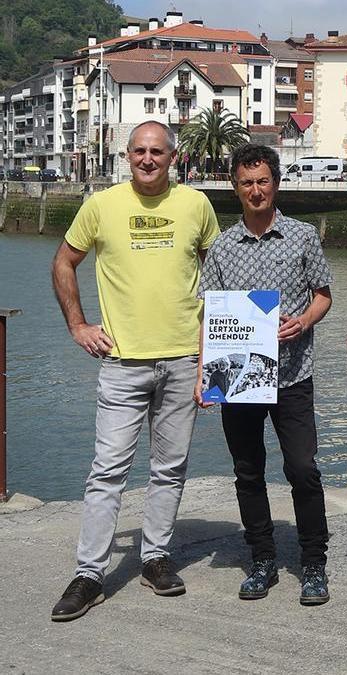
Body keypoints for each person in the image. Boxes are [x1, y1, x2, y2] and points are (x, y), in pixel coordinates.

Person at [49, 120, 220, 621]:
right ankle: (90, 574)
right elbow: (64, 262)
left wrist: (213, 362)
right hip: (122, 363)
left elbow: (219, 281)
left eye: (158, 152)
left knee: (169, 468)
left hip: (184, 358)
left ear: (174, 157)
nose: (148, 159)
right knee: (107, 471)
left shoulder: (197, 206)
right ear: (128, 156)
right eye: (140, 151)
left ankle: (155, 558)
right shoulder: (101, 206)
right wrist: (78, 325)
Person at [195, 144, 334, 605]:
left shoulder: (302, 236)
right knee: (247, 471)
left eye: (263, 181)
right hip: (236, 376)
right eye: (246, 183)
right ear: (235, 187)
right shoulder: (221, 247)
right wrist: (203, 373)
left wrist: (304, 321)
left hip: (293, 374)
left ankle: (314, 562)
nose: (256, 190)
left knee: (302, 469)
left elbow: (323, 295)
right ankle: (262, 558)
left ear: (276, 183)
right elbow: (211, 315)